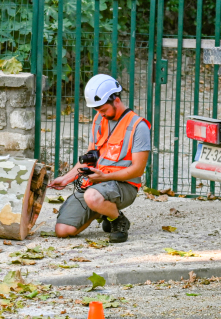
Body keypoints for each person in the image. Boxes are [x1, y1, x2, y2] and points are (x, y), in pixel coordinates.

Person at [48, 74, 151, 243]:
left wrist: (105, 177)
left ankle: (117, 220)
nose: (101, 114)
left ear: (116, 100)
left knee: (92, 197)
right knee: (63, 230)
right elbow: (89, 158)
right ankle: (102, 209)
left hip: (123, 186)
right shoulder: (99, 120)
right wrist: (66, 178)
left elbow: (138, 170)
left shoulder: (138, 126)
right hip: (96, 185)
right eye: (97, 111)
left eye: (103, 109)